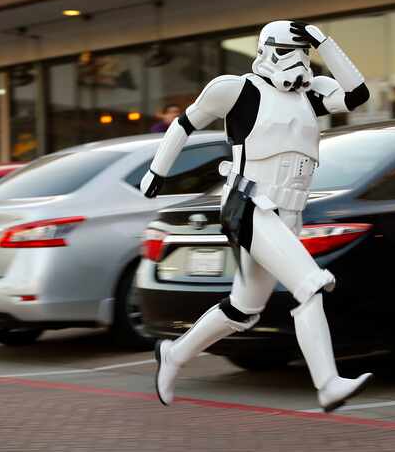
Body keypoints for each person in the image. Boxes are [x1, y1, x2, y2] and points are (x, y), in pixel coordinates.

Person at [140, 20, 373, 412]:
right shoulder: (237, 90)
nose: (298, 62)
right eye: (288, 52)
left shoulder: (310, 95)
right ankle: (328, 384)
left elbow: (357, 94)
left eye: (304, 54)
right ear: (266, 51)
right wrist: (156, 171)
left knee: (244, 309)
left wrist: (325, 42)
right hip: (250, 205)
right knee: (311, 285)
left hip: (289, 213)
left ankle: (175, 355)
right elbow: (184, 123)